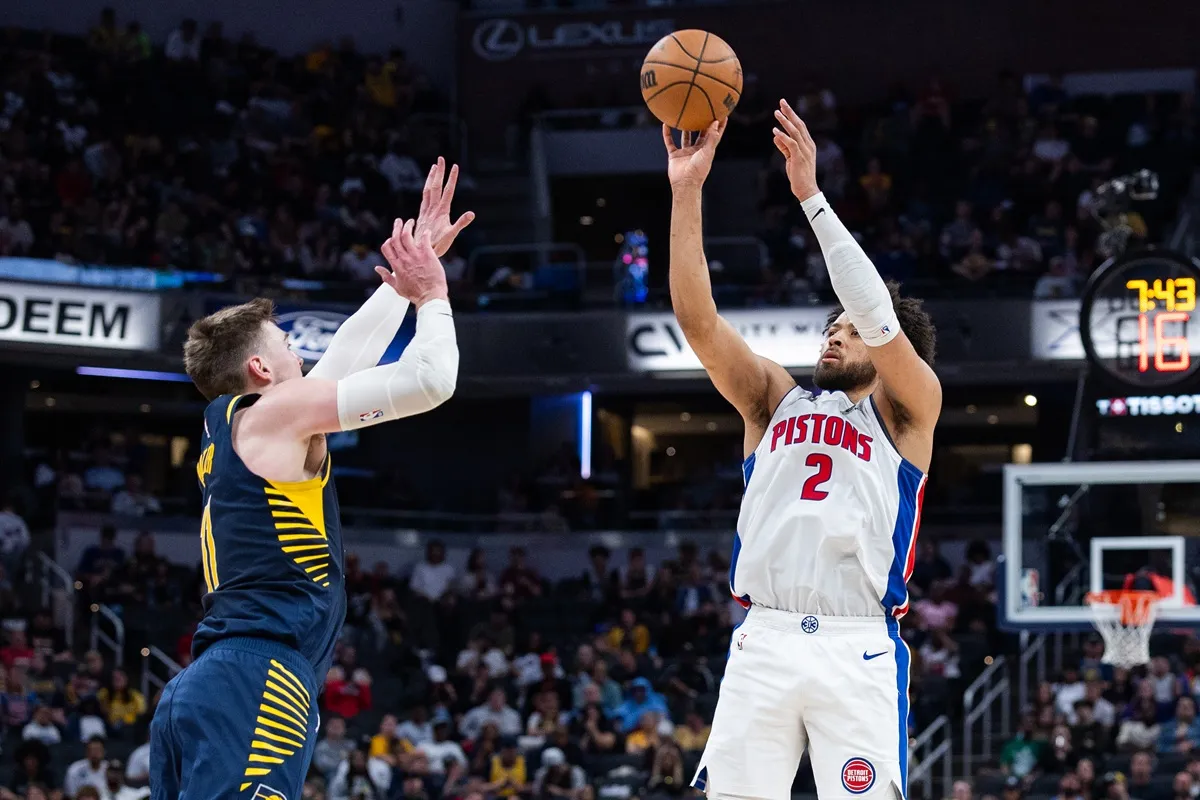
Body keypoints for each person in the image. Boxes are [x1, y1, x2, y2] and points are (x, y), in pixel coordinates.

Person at [149, 160, 472, 800]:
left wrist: (402, 283)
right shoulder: (273, 414)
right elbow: (433, 380)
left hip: (209, 680)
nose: (306, 356)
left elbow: (343, 357)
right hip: (256, 677)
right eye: (292, 346)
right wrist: (432, 292)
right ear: (263, 367)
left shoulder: (237, 428)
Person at [663, 101, 940, 800]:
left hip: (859, 642)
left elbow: (877, 314)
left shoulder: (909, 411)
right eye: (830, 325)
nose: (834, 335)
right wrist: (687, 191)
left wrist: (812, 198)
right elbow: (698, 321)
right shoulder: (772, 399)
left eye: (850, 328)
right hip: (767, 634)